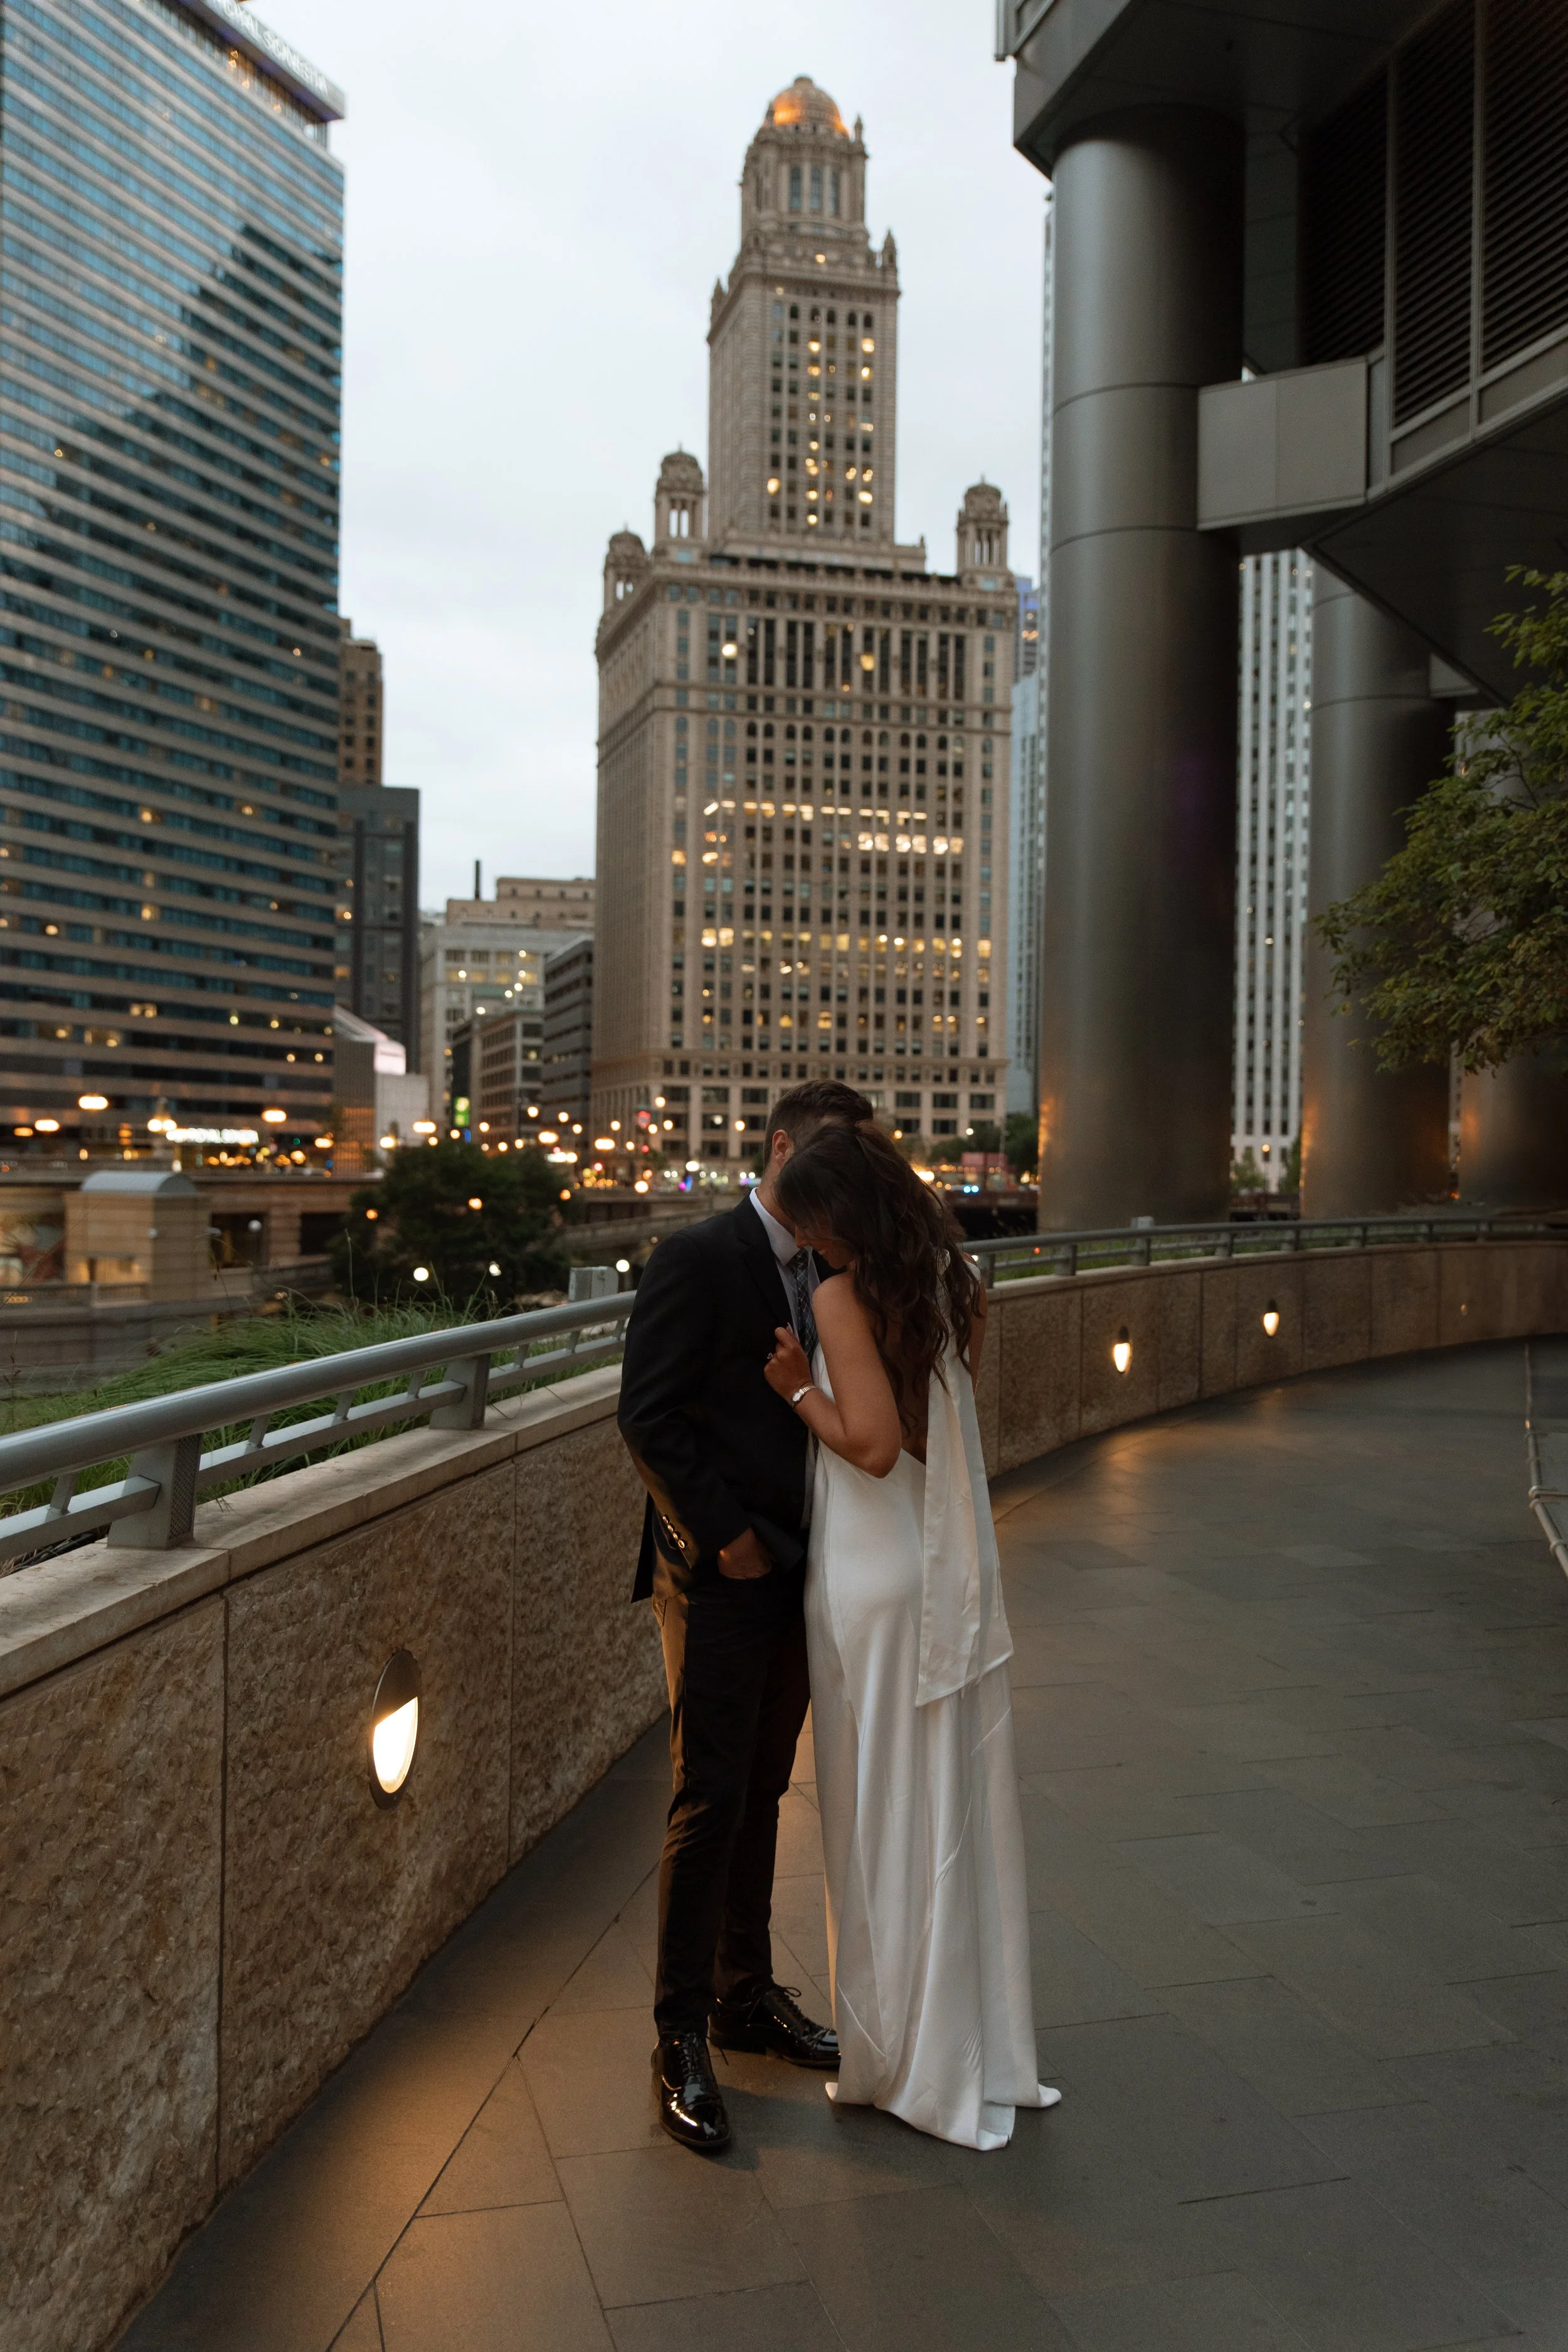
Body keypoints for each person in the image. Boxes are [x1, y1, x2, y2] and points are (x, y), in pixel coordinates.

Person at [762, 1120, 1060, 2151]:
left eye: (807, 1224)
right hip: (935, 1569)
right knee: (943, 1798)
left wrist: (799, 1384)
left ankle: (898, 2057)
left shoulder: (842, 1298)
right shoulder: (947, 1279)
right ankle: (965, 2039)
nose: (803, 1246)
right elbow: (938, 1425)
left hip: (868, 1572)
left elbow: (875, 1447)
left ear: (836, 1215)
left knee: (876, 1805)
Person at [618, 1079, 873, 2153]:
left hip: (806, 1570)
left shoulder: (831, 1265)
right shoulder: (696, 1255)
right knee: (709, 1794)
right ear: (779, 1147)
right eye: (822, 1158)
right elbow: (647, 1414)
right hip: (719, 1574)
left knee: (766, 1788)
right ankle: (679, 2035)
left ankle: (742, 1994)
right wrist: (723, 1534)